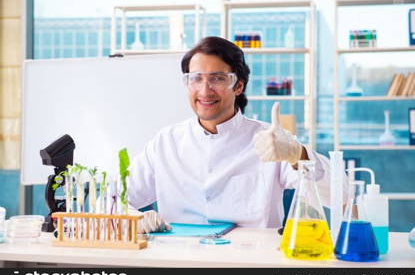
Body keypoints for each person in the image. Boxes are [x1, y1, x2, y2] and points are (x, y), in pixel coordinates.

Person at [127, 36, 333, 233]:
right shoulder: (166, 142)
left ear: (239, 86)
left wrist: (298, 155)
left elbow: (338, 195)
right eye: (196, 79)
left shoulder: (271, 140)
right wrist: (135, 219)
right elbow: (117, 199)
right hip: (177, 259)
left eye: (218, 79)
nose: (205, 91)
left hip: (250, 262)